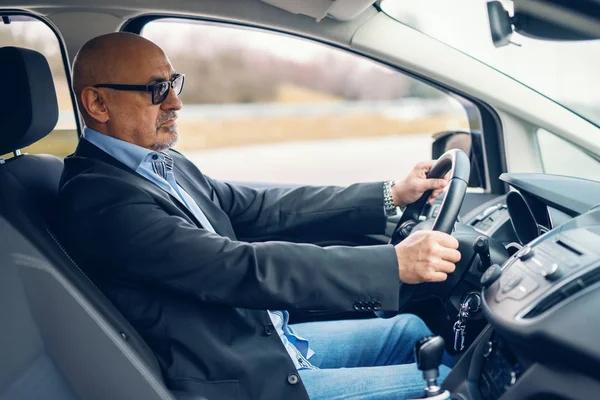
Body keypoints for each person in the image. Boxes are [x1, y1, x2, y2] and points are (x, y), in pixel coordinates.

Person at [57, 32, 461, 400]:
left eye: (173, 83)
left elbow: (259, 205)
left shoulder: (158, 163)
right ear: (97, 103)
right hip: (236, 375)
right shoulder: (100, 199)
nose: (175, 102)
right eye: (156, 89)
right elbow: (237, 268)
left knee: (410, 331)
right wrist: (393, 264)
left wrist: (389, 195)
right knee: (455, 384)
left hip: (261, 339)